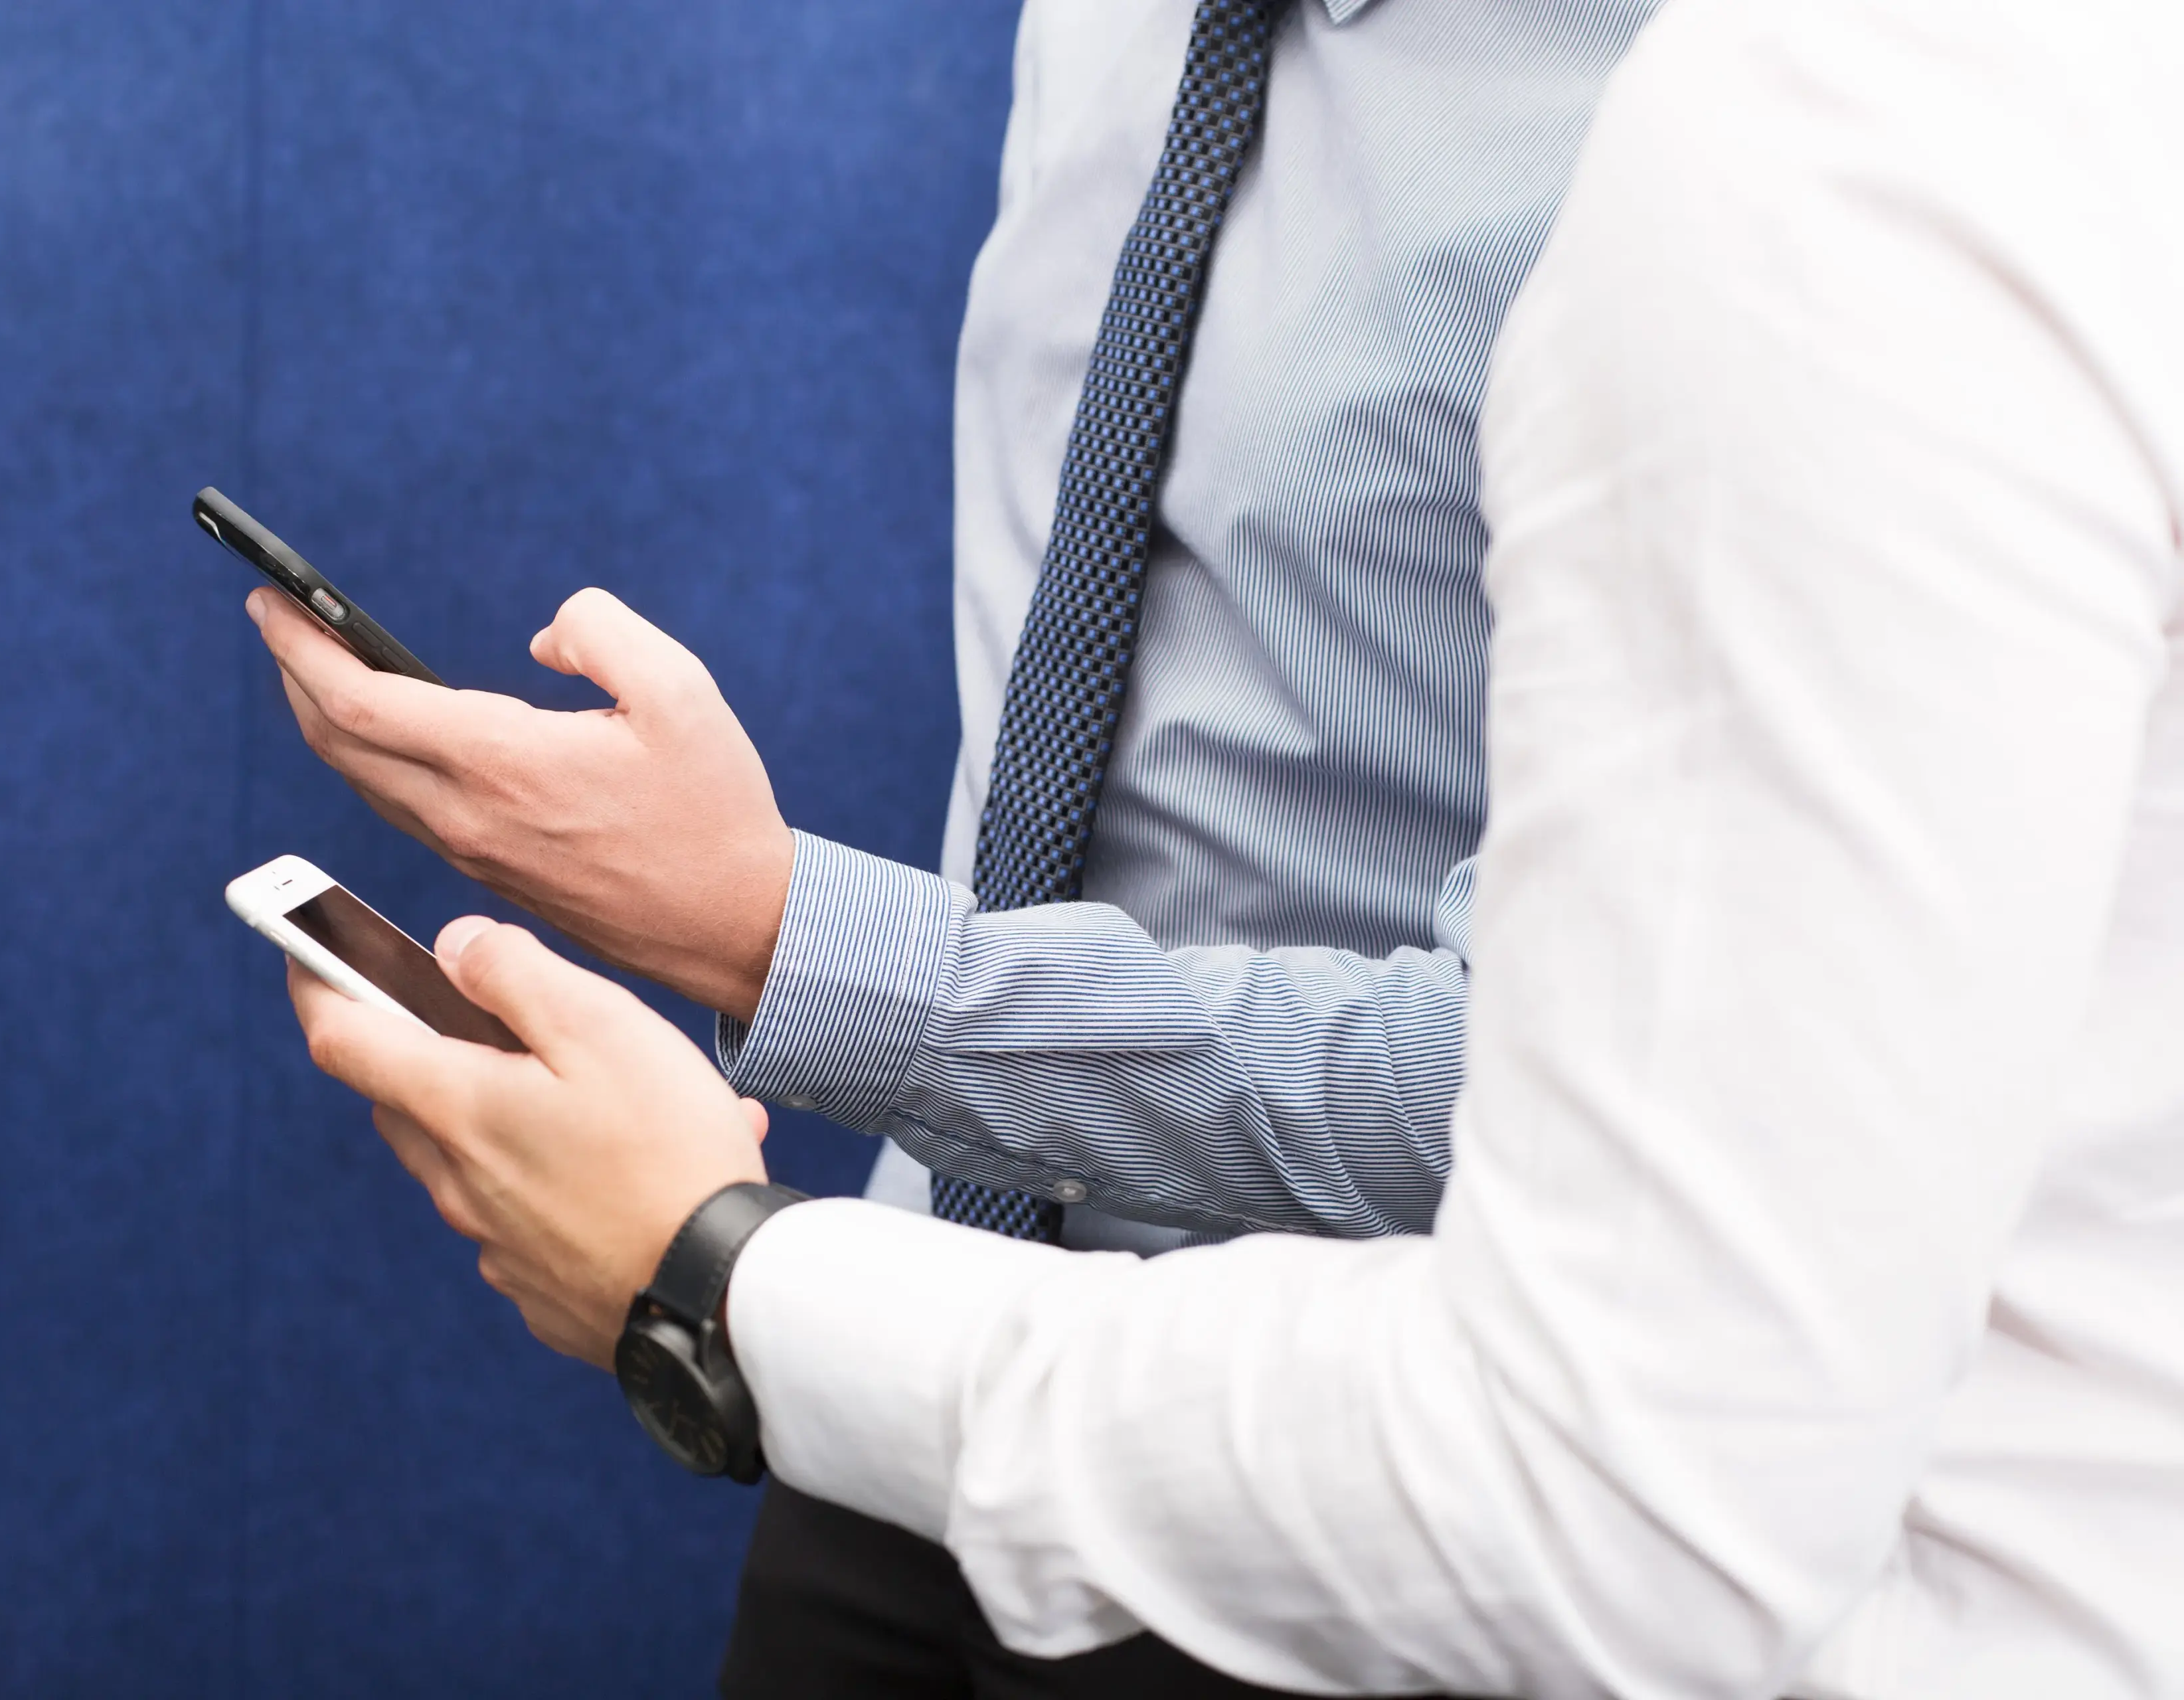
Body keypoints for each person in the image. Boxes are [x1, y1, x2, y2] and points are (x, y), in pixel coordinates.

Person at [282, 0, 2184, 1691]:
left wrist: (790, 1050)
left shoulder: (1804, 148)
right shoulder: (1122, 34)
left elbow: (1575, 1129)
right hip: (918, 1363)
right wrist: (784, 1011)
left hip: (1361, 1515)